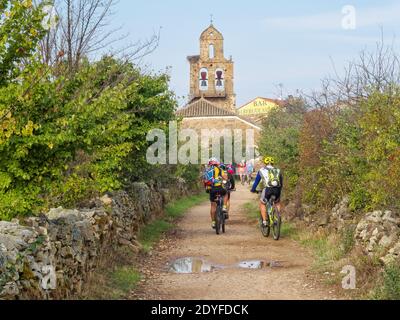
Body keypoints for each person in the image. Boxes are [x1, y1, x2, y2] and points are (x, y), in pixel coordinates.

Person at [250, 156, 283, 227]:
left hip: (268, 189)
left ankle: (264, 221)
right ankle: (278, 217)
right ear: (273, 163)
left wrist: (253, 190)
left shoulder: (261, 170)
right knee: (277, 202)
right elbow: (281, 182)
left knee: (262, 203)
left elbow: (256, 182)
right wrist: (279, 190)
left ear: (265, 163)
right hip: (277, 189)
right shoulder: (278, 170)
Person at [203, 157, 229, 229]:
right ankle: (224, 207)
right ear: (217, 163)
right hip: (219, 188)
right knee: (226, 193)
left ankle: (213, 222)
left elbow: (205, 181)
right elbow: (225, 178)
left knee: (213, 205)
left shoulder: (207, 171)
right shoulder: (219, 169)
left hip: (211, 190)